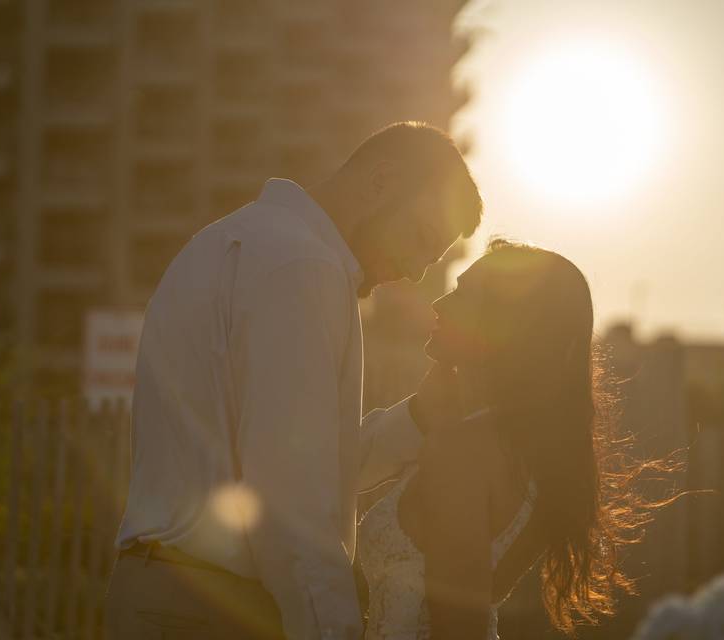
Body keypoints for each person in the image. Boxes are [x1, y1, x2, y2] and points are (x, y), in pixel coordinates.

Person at [104, 122, 482, 640]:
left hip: (169, 596)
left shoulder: (234, 240)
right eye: (421, 239)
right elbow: (291, 505)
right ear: (380, 183)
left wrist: (415, 421)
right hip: (211, 610)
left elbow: (290, 465)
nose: (417, 273)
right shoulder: (303, 268)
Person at [357, 239, 667, 639]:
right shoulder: (523, 447)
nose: (439, 304)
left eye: (462, 294)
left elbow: (459, 629)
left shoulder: (466, 451)